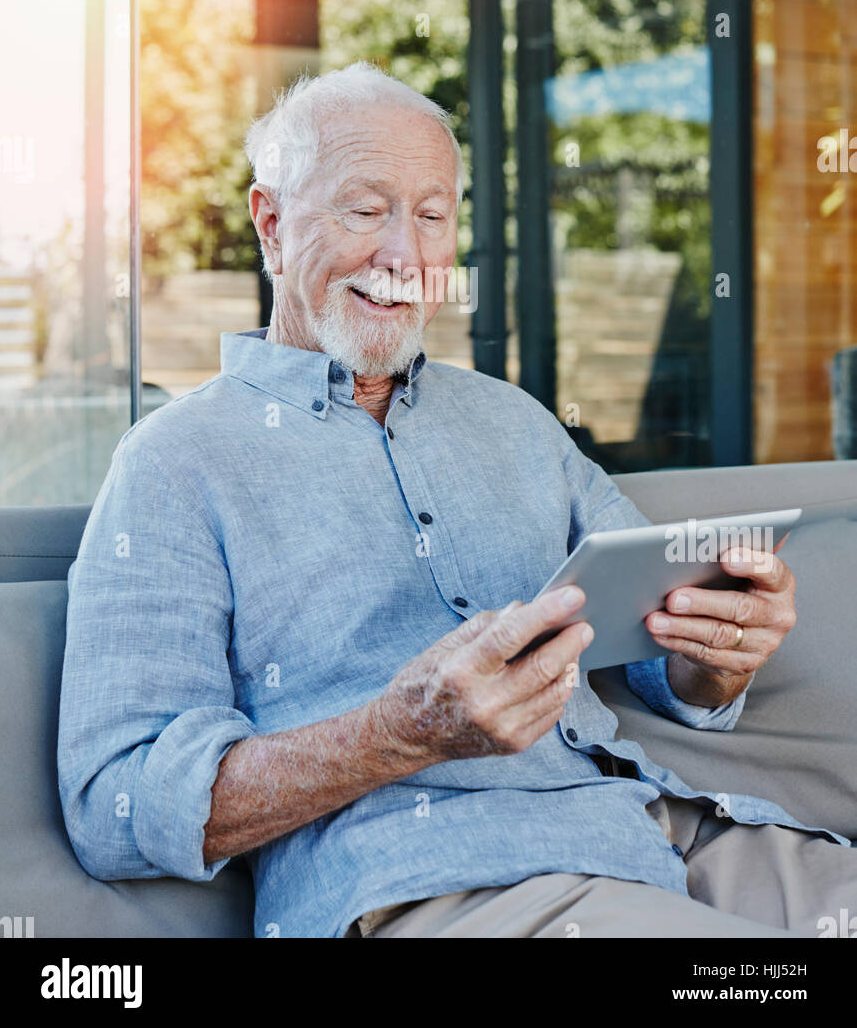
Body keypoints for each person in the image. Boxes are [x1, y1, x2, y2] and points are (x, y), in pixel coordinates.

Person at [58, 62, 855, 939]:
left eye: (433, 217)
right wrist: (399, 734)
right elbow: (116, 802)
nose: (405, 255)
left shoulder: (512, 421)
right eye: (366, 211)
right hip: (441, 882)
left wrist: (721, 650)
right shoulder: (174, 462)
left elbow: (662, 659)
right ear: (272, 224)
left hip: (660, 831)